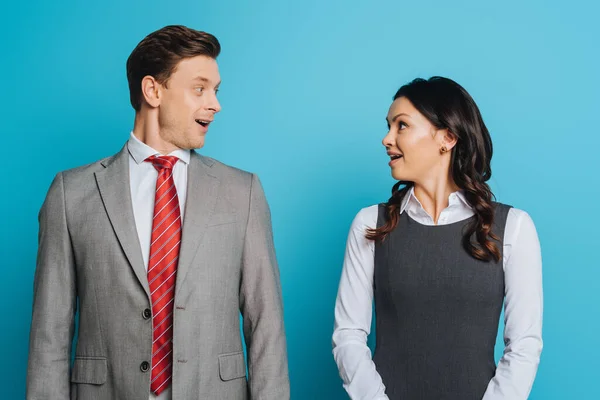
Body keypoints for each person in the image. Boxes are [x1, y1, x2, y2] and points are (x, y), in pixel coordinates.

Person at [26, 25, 289, 400]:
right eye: (199, 89)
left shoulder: (242, 192)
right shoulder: (71, 193)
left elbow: (267, 326)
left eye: (216, 90)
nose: (215, 104)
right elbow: (49, 335)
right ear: (153, 90)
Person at [332, 77, 543, 399]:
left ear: (447, 137)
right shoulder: (370, 224)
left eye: (401, 126)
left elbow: (525, 343)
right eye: (389, 126)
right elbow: (348, 334)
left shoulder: (513, 227)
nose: (386, 139)